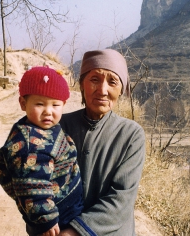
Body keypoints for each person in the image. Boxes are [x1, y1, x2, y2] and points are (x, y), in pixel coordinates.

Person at [58, 49, 146, 236]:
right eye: (94, 79)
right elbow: (35, 181)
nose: (103, 90)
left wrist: (74, 231)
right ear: (82, 84)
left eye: (112, 81)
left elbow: (121, 199)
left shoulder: (131, 135)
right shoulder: (59, 126)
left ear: (121, 89)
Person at [0, 66, 84, 236]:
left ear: (63, 104)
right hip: (55, 216)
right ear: (23, 103)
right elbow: (32, 187)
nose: (48, 112)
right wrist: (46, 219)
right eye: (39, 104)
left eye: (55, 105)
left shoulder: (42, 127)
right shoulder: (28, 145)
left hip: (65, 205)